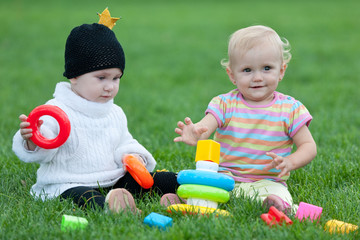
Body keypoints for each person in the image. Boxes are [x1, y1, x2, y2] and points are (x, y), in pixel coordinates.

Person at [12, 22, 179, 214]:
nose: (110, 86)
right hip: (69, 181)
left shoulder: (114, 112)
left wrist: (134, 156)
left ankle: (179, 191)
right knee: (84, 197)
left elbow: (124, 142)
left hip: (112, 178)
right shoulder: (55, 110)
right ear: (74, 76)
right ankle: (114, 208)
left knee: (156, 178)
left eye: (116, 78)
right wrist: (33, 138)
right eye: (102, 78)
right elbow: (46, 145)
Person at [172, 25, 317, 214]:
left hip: (267, 181)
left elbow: (308, 146)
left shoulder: (291, 109)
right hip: (225, 177)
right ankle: (187, 197)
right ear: (232, 75)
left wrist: (290, 161)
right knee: (202, 184)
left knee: (278, 195)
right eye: (247, 70)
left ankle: (275, 205)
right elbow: (205, 127)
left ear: (281, 71)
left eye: (266, 68)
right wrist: (196, 132)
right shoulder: (224, 103)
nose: (257, 77)